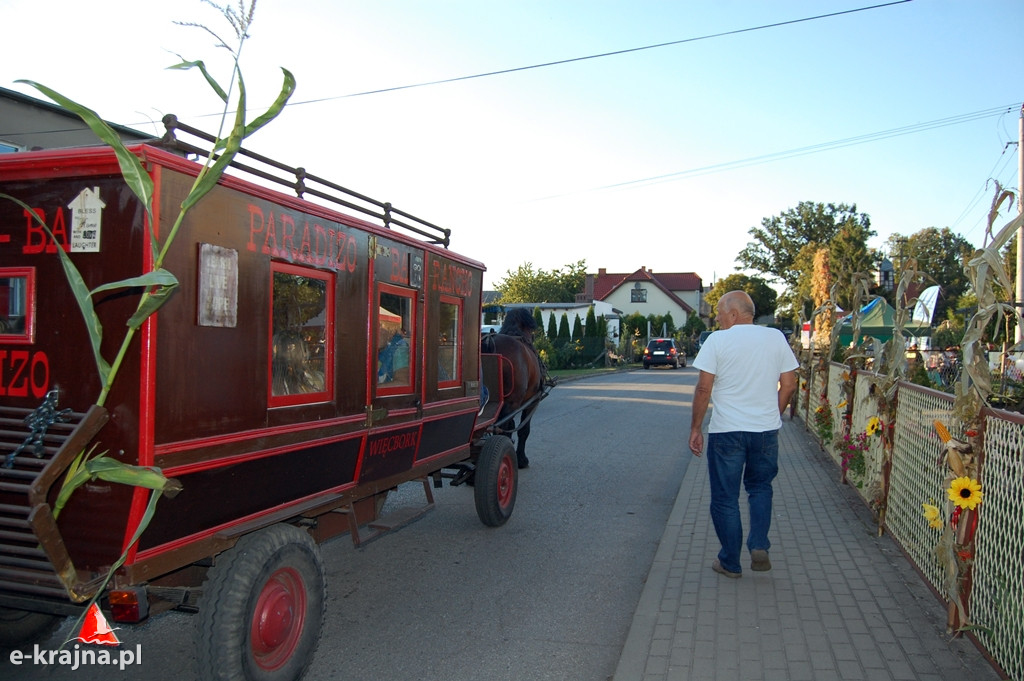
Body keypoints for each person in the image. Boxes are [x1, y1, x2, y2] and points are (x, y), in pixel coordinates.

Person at [688, 290, 799, 578]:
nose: (718, 320)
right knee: (760, 488)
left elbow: (703, 389)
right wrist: (773, 413)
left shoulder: (717, 341)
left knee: (725, 499)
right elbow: (789, 384)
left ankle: (730, 562)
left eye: (721, 314)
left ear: (735, 314)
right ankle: (759, 544)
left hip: (728, 433)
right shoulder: (775, 338)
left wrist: (696, 428)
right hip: (765, 432)